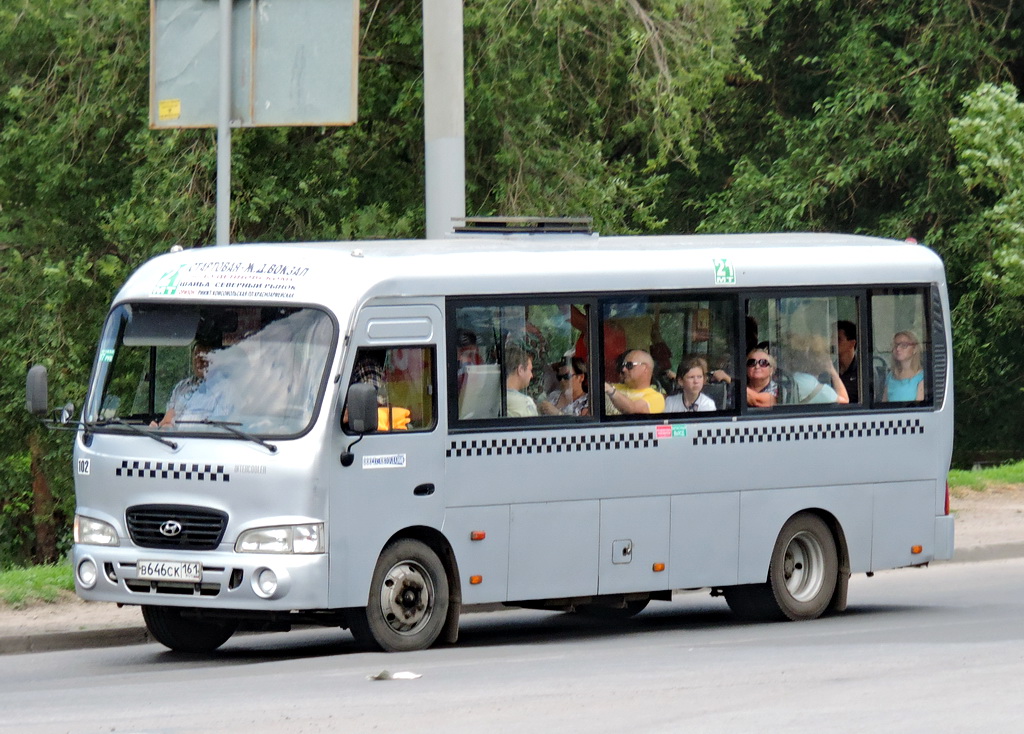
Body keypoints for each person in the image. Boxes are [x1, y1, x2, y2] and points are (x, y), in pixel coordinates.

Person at [154, 341, 232, 426]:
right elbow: (168, 417)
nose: (198, 362)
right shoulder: (181, 387)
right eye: (195, 356)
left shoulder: (225, 390)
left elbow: (216, 428)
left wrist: (173, 426)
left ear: (215, 359)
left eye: (203, 357)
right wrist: (159, 427)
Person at [787, 333, 850, 405]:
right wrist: (833, 371)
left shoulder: (795, 377)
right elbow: (844, 401)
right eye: (826, 353)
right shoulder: (820, 390)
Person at [604, 349, 665, 414]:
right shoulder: (613, 386)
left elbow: (633, 410)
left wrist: (611, 391)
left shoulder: (656, 398)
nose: (623, 369)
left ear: (644, 368)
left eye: (629, 365)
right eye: (623, 365)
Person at [884, 330, 925, 402]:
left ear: (914, 349)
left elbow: (920, 409)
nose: (898, 349)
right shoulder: (890, 376)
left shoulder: (921, 377)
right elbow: (883, 405)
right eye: (896, 345)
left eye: (904, 345)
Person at [504, 344, 538, 417]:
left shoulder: (489, 399)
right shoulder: (526, 403)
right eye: (530, 370)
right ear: (521, 369)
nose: (531, 375)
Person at [836, 320, 859, 402]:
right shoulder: (830, 370)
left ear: (852, 344)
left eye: (838, 339)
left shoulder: (862, 373)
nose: (833, 343)